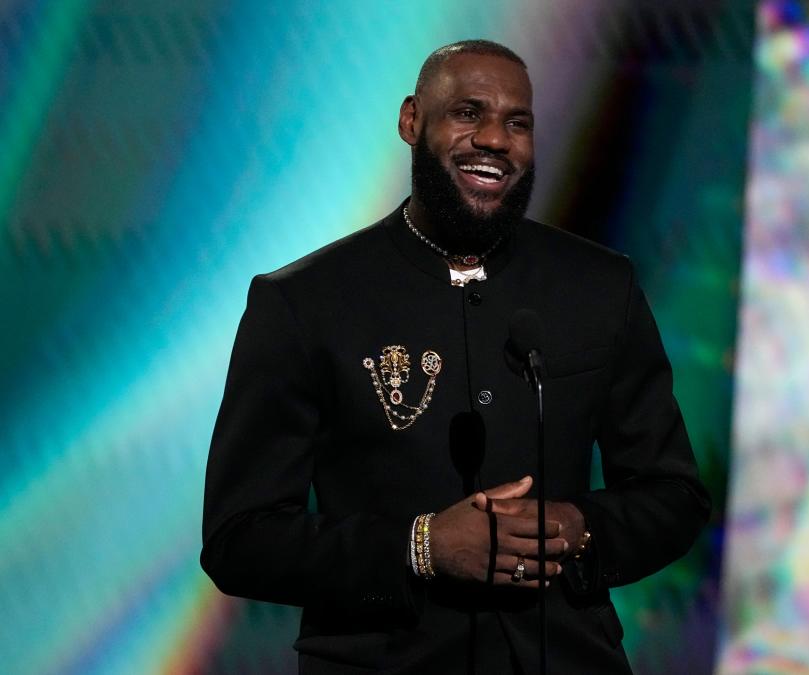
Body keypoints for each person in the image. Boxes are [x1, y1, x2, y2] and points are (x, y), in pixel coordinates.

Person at [201, 39, 710, 674]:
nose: (495, 138)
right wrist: (421, 548)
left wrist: (576, 528)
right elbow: (238, 539)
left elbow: (674, 495)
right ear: (412, 120)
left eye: (517, 122)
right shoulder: (303, 304)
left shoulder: (600, 287)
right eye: (468, 112)